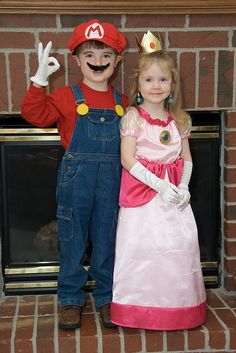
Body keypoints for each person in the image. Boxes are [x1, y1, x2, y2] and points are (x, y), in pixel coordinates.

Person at [21, 18, 127, 330]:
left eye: (106, 56)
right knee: (72, 238)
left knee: (107, 238)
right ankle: (70, 298)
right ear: (77, 60)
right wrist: (39, 80)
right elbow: (34, 114)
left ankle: (107, 296)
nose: (98, 62)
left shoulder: (122, 102)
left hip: (112, 181)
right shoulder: (67, 96)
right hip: (75, 181)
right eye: (90, 56)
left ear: (117, 61)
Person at [111, 31, 207, 330]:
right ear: (138, 84)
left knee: (179, 247)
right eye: (149, 80)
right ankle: (138, 309)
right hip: (145, 198)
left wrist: (183, 186)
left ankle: (179, 308)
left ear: (172, 85)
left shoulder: (180, 120)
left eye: (163, 80)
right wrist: (161, 185)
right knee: (143, 251)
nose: (156, 86)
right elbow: (128, 159)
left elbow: (186, 157)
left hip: (174, 199)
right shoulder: (132, 118)